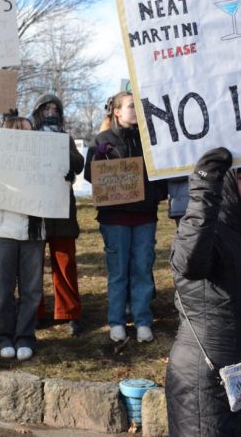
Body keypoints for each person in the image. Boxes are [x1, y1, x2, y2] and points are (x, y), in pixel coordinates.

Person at [166, 147, 241, 436]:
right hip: (208, 389)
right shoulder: (202, 231)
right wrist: (203, 189)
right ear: (224, 185)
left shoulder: (236, 234)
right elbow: (190, 264)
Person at [0, 116, 65, 361]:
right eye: (23, 131)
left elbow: (55, 182)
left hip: (34, 232)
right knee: (4, 290)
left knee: (32, 289)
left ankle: (25, 336)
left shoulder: (41, 162)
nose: (29, 135)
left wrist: (63, 177)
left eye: (30, 130)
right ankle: (4, 336)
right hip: (3, 232)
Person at [84, 91, 164, 343]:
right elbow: (90, 175)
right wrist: (98, 157)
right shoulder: (102, 139)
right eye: (131, 106)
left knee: (142, 269)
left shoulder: (150, 140)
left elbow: (161, 175)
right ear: (117, 111)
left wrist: (154, 194)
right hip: (115, 218)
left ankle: (142, 320)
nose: (136, 111)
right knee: (118, 272)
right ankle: (117, 321)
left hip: (144, 216)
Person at [30, 94, 85, 336]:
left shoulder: (65, 137)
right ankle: (36, 312)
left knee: (64, 263)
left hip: (62, 211)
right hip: (36, 209)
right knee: (33, 266)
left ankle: (69, 312)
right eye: (46, 107)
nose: (51, 111)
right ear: (38, 111)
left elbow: (78, 164)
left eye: (55, 107)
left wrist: (61, 150)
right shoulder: (29, 137)